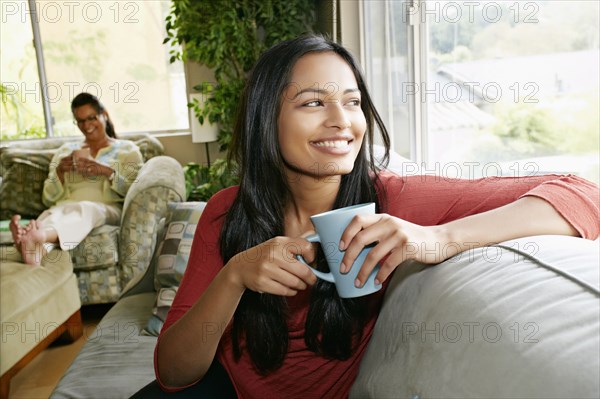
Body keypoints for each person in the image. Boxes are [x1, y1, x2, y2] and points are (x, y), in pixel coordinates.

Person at [140, 34, 599, 398]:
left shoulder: (393, 199)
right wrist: (234, 277)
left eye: (353, 101)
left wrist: (438, 239)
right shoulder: (226, 211)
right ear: (267, 119)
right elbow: (174, 373)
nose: (342, 120)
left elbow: (582, 193)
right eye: (313, 102)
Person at [9, 92, 144, 266]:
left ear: (104, 115)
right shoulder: (65, 151)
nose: (86, 125)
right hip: (65, 206)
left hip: (106, 208)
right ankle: (33, 252)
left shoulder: (127, 150)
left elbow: (135, 192)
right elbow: (48, 199)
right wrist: (59, 173)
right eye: (80, 121)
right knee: (54, 213)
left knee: (86, 209)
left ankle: (40, 235)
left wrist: (107, 172)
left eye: (91, 118)